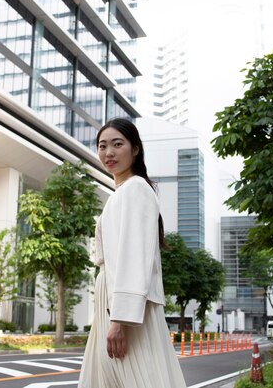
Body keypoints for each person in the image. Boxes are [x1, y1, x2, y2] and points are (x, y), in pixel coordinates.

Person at [78, 118, 187, 388]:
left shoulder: (136, 188)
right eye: (102, 146)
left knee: (138, 378)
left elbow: (133, 256)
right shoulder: (122, 193)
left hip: (125, 311)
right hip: (114, 304)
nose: (109, 153)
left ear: (135, 149)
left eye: (118, 144)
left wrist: (120, 320)